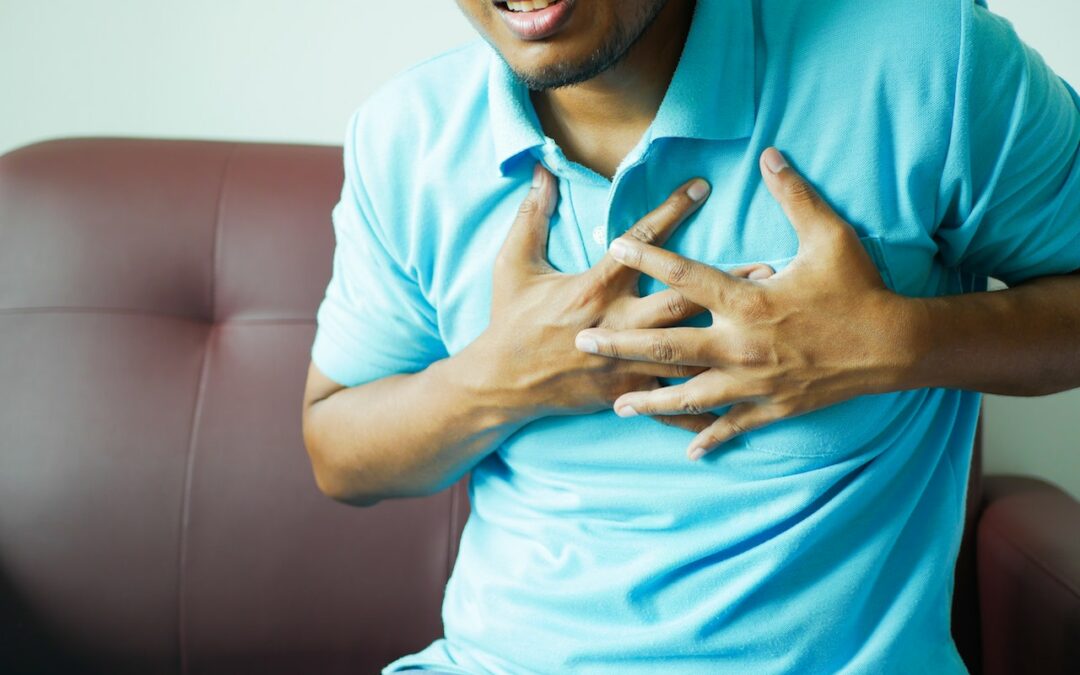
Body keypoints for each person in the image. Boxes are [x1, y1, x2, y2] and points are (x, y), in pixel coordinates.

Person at [300, 0, 1080, 672]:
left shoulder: (930, 57)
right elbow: (337, 449)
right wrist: (500, 378)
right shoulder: (402, 135)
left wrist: (897, 343)